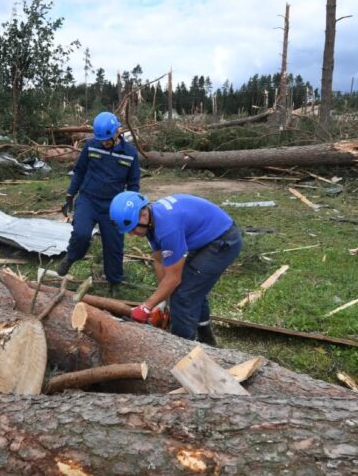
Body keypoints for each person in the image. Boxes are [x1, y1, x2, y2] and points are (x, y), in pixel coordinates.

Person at [109, 191, 242, 346]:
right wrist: (162, 302)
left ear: (143, 215)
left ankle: (183, 348)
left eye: (132, 229)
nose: (132, 234)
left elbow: (174, 278)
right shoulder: (152, 221)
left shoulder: (167, 228)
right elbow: (160, 261)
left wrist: (146, 307)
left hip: (223, 240)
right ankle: (206, 338)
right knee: (191, 286)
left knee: (184, 295)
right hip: (206, 237)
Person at [56, 112, 140, 285]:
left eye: (107, 139)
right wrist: (70, 195)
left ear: (118, 132)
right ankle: (71, 258)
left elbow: (133, 184)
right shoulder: (91, 146)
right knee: (81, 234)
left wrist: (131, 210)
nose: (104, 142)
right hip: (88, 200)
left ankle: (115, 282)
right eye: (101, 139)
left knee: (114, 245)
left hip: (113, 205)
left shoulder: (130, 153)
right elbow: (79, 171)